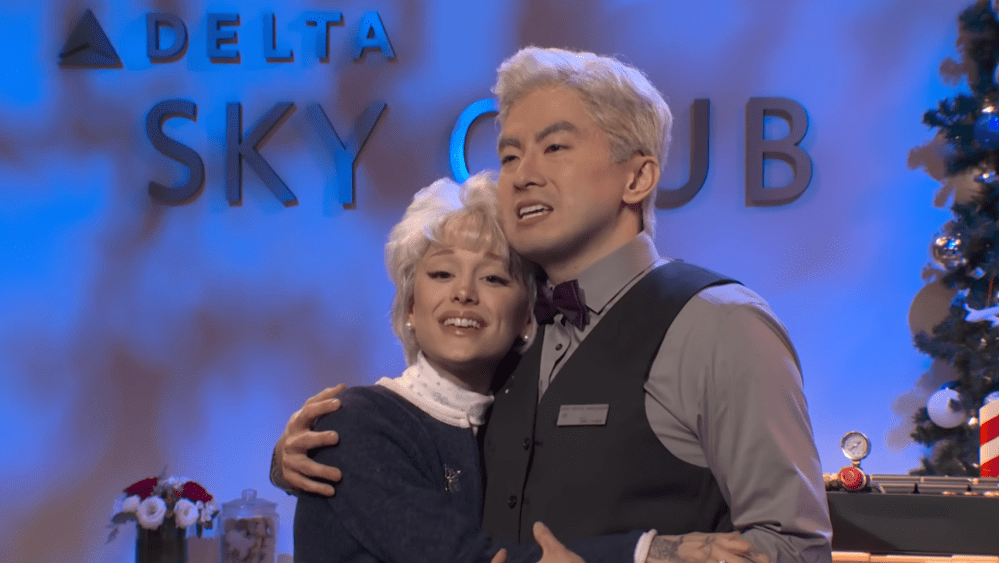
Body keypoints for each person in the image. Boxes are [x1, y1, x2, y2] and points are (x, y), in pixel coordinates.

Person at [277, 47, 832, 563]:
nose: (523, 176)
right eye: (510, 155)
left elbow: (794, 549)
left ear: (638, 176)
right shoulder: (504, 346)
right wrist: (300, 458)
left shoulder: (719, 326)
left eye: (554, 148)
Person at [293, 173, 659, 563]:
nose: (464, 293)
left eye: (493, 278)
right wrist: (642, 552)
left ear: (527, 316)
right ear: (411, 305)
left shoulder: (520, 430)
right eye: (442, 274)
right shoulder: (356, 421)